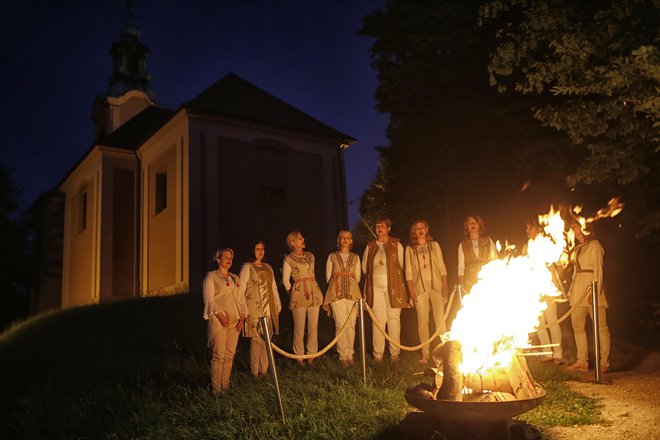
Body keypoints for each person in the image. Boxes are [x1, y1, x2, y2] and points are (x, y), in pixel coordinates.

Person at [362, 217, 410, 362]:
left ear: (388, 228)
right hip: (375, 288)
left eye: (382, 225)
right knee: (378, 321)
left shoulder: (396, 244)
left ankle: (394, 353)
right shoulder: (370, 246)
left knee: (394, 319)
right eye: (377, 226)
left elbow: (404, 265)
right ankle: (378, 354)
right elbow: (365, 268)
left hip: (394, 288)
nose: (379, 228)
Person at [566, 222, 611, 373]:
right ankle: (582, 361)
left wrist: (595, 292)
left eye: (576, 225)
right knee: (577, 325)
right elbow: (575, 271)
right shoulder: (577, 248)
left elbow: (599, 269)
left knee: (601, 327)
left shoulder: (595, 245)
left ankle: (604, 362)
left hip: (591, 287)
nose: (573, 228)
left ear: (585, 227)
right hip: (578, 290)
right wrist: (571, 290)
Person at [202, 248, 247, 394]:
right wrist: (220, 315)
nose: (229, 260)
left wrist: (242, 316)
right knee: (218, 355)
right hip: (219, 321)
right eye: (226, 257)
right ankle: (216, 390)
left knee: (229, 355)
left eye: (231, 258)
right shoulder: (211, 277)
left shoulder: (235, 278)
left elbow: (241, 299)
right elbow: (209, 300)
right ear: (218, 259)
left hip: (234, 321)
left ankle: (225, 386)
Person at [405, 220, 449, 365]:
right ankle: (425, 353)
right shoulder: (410, 249)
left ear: (426, 229)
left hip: (436, 285)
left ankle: (445, 352)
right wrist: (411, 289)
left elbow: (442, 266)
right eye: (417, 228)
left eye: (422, 227)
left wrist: (445, 285)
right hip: (419, 287)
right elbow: (409, 272)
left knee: (440, 319)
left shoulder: (434, 245)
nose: (420, 230)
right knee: (422, 320)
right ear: (414, 232)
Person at [238, 241, 282, 379]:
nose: (261, 251)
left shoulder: (268, 267)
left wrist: (277, 302)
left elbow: (273, 286)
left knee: (267, 339)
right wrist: (243, 309)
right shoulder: (247, 267)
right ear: (252, 250)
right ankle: (254, 372)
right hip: (254, 307)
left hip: (268, 307)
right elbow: (241, 289)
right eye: (257, 249)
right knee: (257, 339)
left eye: (262, 249)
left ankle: (264, 370)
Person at [524, 221, 563, 365]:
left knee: (552, 321)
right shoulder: (527, 247)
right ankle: (548, 352)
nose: (527, 230)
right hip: (534, 291)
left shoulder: (546, 245)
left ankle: (558, 354)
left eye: (530, 227)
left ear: (538, 229)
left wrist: (551, 282)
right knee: (539, 323)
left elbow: (559, 266)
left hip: (549, 289)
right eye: (526, 228)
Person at [282, 231, 323, 366]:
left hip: (313, 292)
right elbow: (286, 281)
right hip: (299, 293)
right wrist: (293, 293)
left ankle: (311, 355)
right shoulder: (289, 259)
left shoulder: (310, 255)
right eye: (299, 238)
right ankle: (299, 357)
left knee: (313, 326)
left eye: (302, 237)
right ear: (293, 243)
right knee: (299, 327)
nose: (303, 239)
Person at [323, 230, 362, 366]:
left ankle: (350, 355)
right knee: (340, 324)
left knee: (351, 324)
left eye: (348, 237)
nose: (345, 240)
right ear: (339, 240)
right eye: (343, 238)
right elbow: (328, 277)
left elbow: (357, 277)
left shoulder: (356, 257)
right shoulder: (332, 256)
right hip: (336, 293)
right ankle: (342, 356)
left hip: (352, 293)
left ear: (351, 241)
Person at [457, 214, 498, 293]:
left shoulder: (488, 242)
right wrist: (461, 285)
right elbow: (461, 267)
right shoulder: (462, 245)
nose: (473, 224)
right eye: (470, 222)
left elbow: (495, 261)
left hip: (487, 279)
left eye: (475, 222)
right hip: (470, 281)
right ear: (467, 227)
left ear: (479, 226)